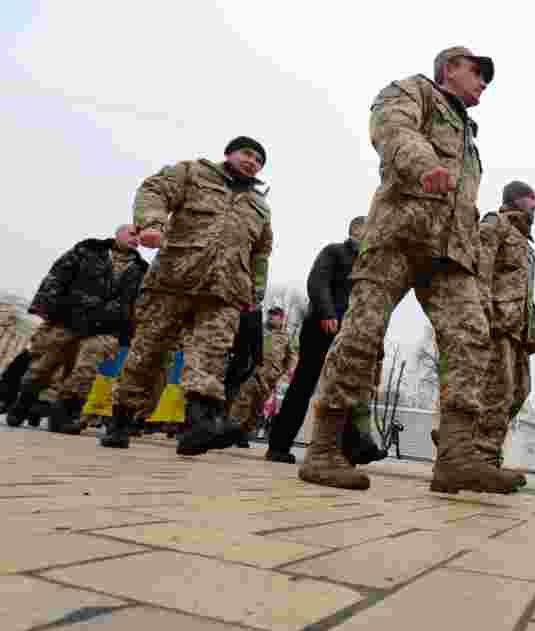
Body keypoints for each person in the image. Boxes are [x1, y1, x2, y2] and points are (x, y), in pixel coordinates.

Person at [304, 46, 520, 495]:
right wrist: (426, 166)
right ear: (450, 69)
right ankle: (324, 449)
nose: (483, 83)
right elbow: (392, 130)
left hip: (451, 254)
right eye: (477, 72)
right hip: (399, 236)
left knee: (471, 337)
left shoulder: (468, 135)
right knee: (362, 334)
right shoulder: (413, 91)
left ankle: (456, 457)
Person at [102, 136, 273, 456]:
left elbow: (261, 252)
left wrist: (256, 289)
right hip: (173, 280)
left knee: (211, 355)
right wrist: (152, 224)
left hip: (225, 292)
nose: (253, 162)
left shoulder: (259, 207)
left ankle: (199, 426)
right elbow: (153, 189)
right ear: (229, 154)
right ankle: (121, 419)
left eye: (260, 160)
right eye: (247, 154)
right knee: (148, 352)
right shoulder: (193, 173)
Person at [6, 225, 148, 433]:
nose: (135, 239)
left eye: (140, 237)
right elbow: (58, 275)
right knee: (43, 365)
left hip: (106, 328)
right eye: (132, 234)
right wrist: (46, 306)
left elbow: (141, 304)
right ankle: (23, 403)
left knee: (87, 369)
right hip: (69, 318)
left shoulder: (141, 269)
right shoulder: (88, 250)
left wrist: (131, 332)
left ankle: (63, 414)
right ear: (117, 234)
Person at [264, 217, 366, 464]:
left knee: (346, 387)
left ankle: (351, 449)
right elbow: (317, 281)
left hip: (349, 332)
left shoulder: (370, 263)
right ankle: (278, 445)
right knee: (303, 384)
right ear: (356, 230)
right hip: (321, 326)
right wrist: (327, 312)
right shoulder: (335, 252)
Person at [475, 180, 535, 485]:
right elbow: (481, 267)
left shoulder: (527, 246)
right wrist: (480, 308)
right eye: (532, 202)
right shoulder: (496, 223)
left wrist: (534, 324)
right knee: (497, 390)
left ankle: (472, 442)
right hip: (497, 322)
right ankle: (483, 458)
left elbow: (524, 291)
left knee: (519, 391)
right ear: (517, 201)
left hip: (519, 330)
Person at [228, 305, 295, 448]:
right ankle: (231, 431)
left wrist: (285, 374)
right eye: (270, 314)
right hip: (253, 374)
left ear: (281, 318)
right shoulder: (259, 331)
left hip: (269, 380)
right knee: (242, 402)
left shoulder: (285, 337)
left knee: (257, 409)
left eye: (275, 315)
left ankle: (243, 434)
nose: (272, 317)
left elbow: (291, 358)